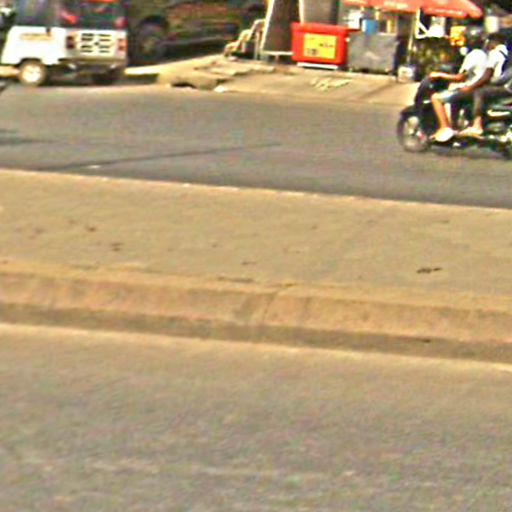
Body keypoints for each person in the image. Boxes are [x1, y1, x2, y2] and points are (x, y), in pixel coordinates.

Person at [429, 27, 487, 143]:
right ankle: (455, 127)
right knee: (455, 99)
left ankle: (444, 128)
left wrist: (440, 75)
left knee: (436, 98)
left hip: (470, 89)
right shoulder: (484, 54)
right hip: (478, 88)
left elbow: (461, 77)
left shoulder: (473, 55)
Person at [459, 32, 511, 137]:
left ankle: (477, 125)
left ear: (492, 42)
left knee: (479, 92)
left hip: (502, 86)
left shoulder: (494, 53)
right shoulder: (507, 53)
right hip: (506, 85)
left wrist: (471, 87)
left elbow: (487, 76)